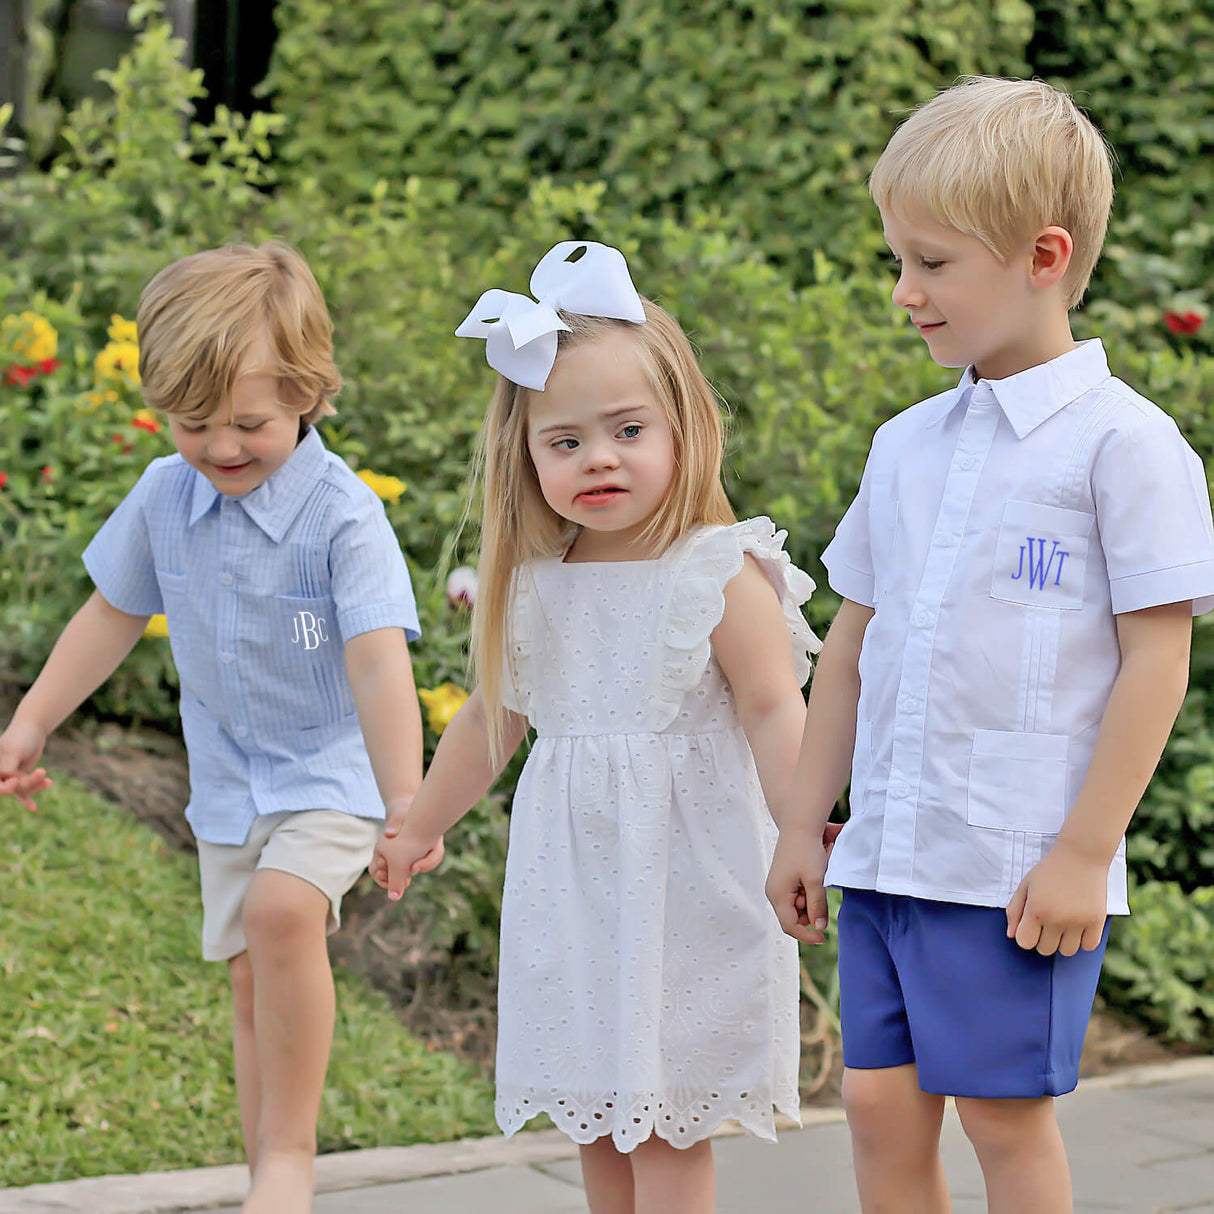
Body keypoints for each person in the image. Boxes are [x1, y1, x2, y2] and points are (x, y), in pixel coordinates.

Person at [765, 75, 1214, 1214]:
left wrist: (1083, 852)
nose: (903, 291)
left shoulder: (1125, 446)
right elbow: (851, 649)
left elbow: (1156, 663)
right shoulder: (904, 446)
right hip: (888, 857)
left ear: (1042, 256)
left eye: (931, 262)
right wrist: (804, 823)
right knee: (875, 1109)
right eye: (897, 260)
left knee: (1002, 1120)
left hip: (1012, 868)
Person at [371, 241, 819, 1214]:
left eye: (627, 429)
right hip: (574, 890)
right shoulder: (538, 584)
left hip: (684, 885)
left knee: (663, 1122)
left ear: (684, 427)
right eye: (564, 441)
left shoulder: (717, 569)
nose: (598, 458)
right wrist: (418, 824)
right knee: (597, 1118)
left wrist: (802, 833)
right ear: (526, 456)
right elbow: (492, 719)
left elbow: (774, 706)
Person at [0, 242, 424, 1214]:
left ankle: (291, 1160)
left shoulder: (344, 518)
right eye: (194, 424)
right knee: (248, 977)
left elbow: (375, 660)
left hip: (333, 770)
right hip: (231, 781)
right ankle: (264, 1171)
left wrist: (407, 795)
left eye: (249, 423)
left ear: (307, 394)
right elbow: (111, 611)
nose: (222, 447)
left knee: (281, 914)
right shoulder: (165, 494)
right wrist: (30, 721)